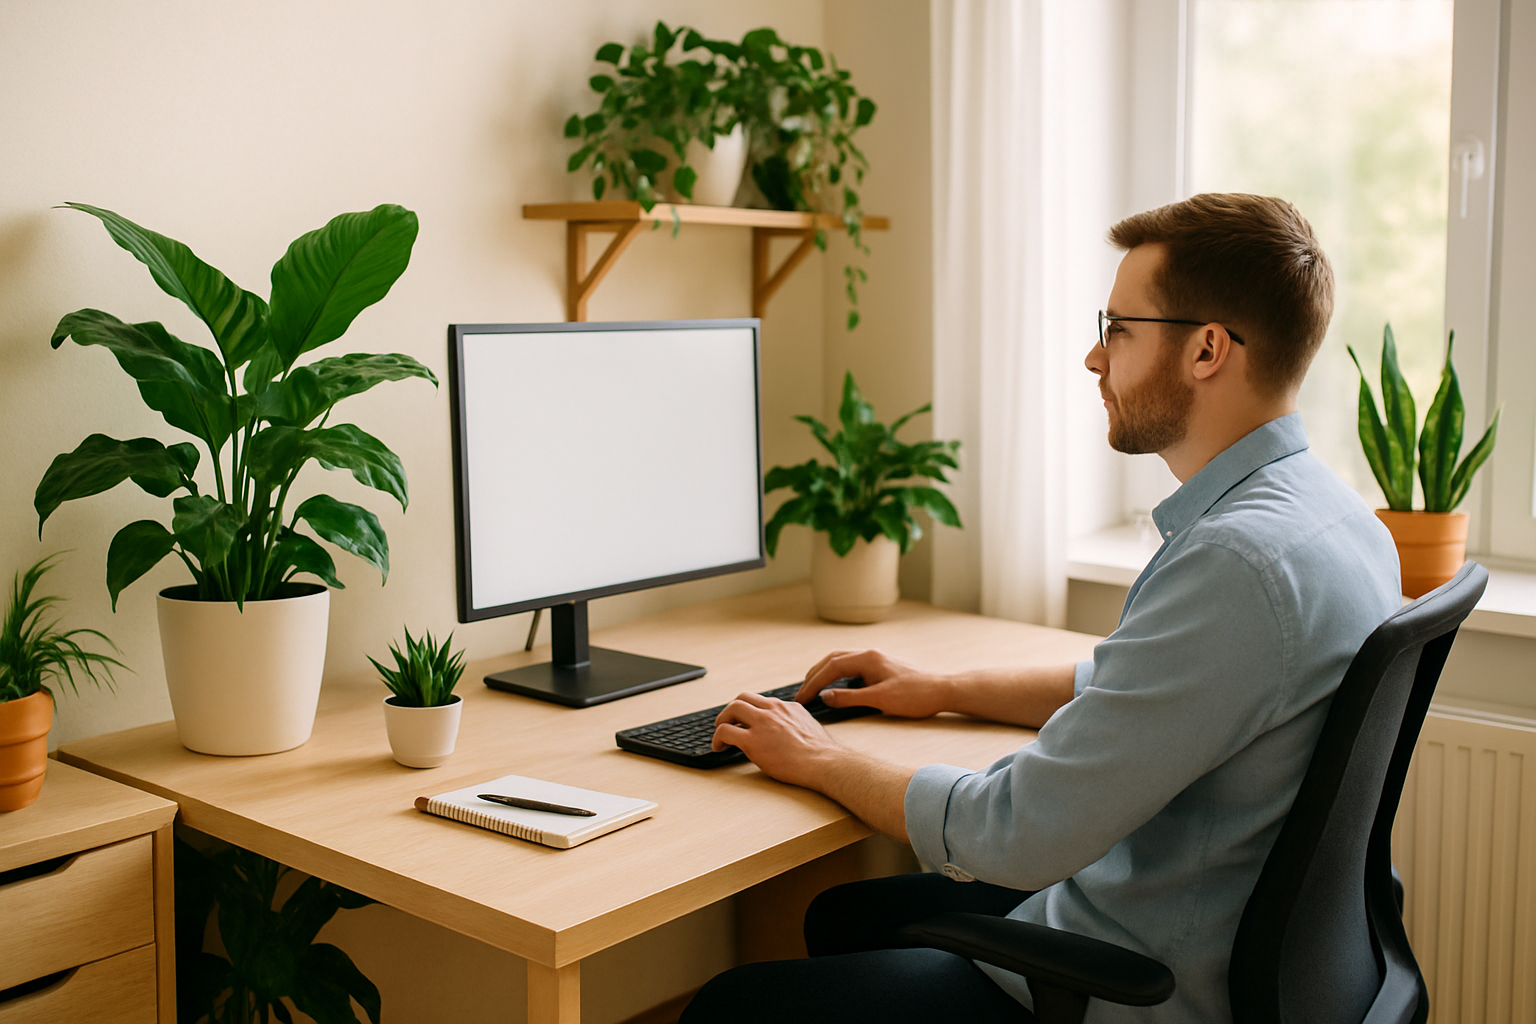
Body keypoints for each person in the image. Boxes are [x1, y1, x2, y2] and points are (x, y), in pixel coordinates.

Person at [678, 193, 1402, 1024]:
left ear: (1207, 350)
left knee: (731, 1007)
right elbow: (1138, 683)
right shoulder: (1333, 519)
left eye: (1118, 328)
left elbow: (1016, 833)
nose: (1095, 359)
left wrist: (818, 758)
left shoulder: (1234, 562)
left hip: (1151, 979)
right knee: (840, 917)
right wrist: (942, 687)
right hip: (1249, 945)